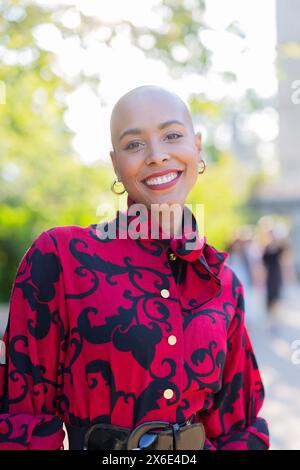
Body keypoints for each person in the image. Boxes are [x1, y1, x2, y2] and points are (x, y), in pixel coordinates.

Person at [0, 85, 269, 450]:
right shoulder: (60, 257)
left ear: (197, 146)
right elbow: (21, 416)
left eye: (172, 136)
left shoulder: (223, 282)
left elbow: (238, 424)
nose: (157, 156)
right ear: (116, 163)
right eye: (134, 144)